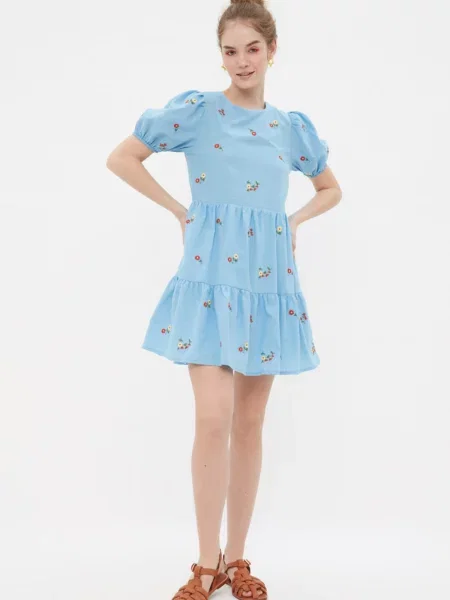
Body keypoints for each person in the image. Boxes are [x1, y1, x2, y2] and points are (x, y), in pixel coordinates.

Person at [107, 0, 342, 597]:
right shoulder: (198, 113)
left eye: (252, 49)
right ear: (221, 56)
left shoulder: (290, 128)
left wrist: (295, 220)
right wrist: (178, 210)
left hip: (267, 285)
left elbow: (330, 188)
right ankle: (206, 562)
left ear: (272, 51)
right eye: (230, 51)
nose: (241, 61)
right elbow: (122, 158)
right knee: (212, 418)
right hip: (208, 281)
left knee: (251, 423)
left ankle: (237, 560)